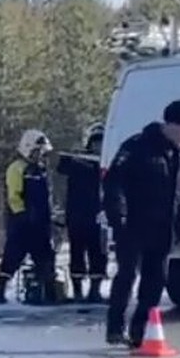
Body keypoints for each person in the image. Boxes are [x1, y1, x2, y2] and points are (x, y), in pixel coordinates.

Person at [103, 98, 180, 348]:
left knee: (155, 282)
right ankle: (115, 327)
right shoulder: (136, 147)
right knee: (126, 276)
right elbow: (114, 183)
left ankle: (140, 332)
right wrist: (119, 215)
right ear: (170, 124)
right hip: (133, 226)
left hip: (163, 229)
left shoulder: (178, 154)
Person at [0, 129, 55, 305]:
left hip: (41, 223)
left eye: (41, 153)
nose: (40, 156)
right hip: (21, 223)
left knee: (45, 257)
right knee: (12, 256)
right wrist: (21, 215)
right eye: (37, 152)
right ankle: (0, 291)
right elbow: (13, 195)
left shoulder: (41, 169)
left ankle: (50, 292)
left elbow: (46, 196)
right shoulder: (17, 168)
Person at [55, 122, 107, 303]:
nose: (98, 146)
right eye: (95, 142)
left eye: (102, 143)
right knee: (77, 254)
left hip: (100, 217)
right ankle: (77, 291)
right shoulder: (78, 162)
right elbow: (62, 167)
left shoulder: (107, 165)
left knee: (99, 254)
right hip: (77, 216)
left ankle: (95, 291)